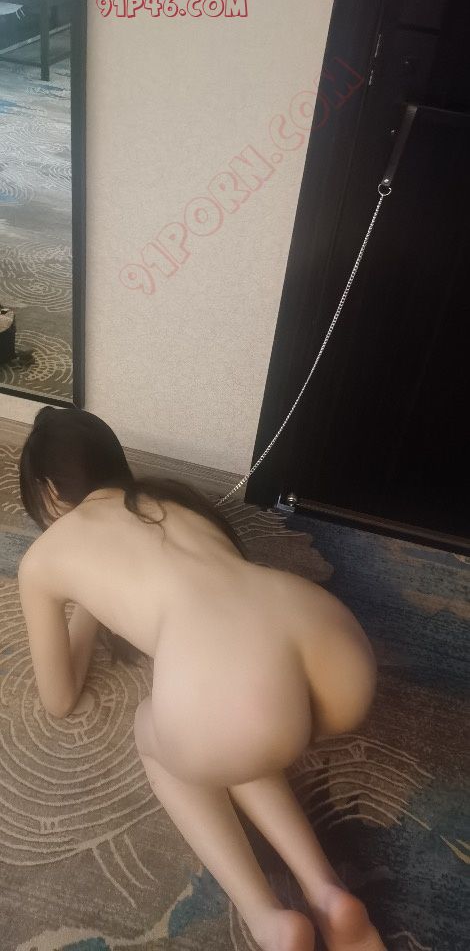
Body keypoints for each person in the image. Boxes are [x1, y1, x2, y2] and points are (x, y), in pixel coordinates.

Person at [18, 405, 385, 951]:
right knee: (236, 718)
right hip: (334, 646)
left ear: (48, 491)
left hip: (241, 699)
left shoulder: (43, 559)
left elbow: (59, 697)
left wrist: (85, 604)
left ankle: (269, 920)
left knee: (157, 729)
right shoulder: (171, 497)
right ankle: (329, 893)